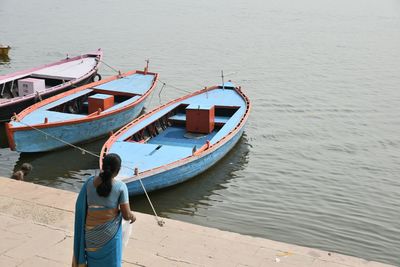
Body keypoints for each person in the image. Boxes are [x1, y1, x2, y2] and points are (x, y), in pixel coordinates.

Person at [72, 153, 135, 267]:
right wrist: (132, 216)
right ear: (118, 170)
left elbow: (82, 207)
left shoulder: (89, 183)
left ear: (103, 166)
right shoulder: (121, 187)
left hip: (90, 235)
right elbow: (126, 215)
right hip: (110, 237)